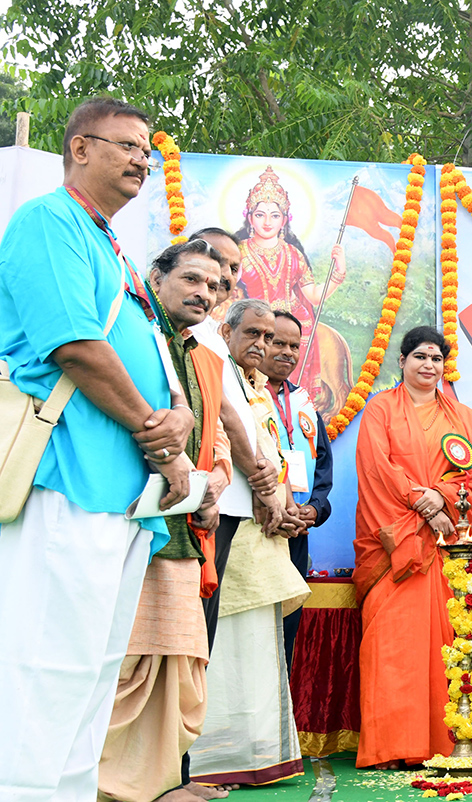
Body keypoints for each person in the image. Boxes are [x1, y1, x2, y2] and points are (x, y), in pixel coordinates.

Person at [0, 97, 192, 801]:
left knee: (90, 675)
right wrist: (160, 437)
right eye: (128, 145)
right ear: (80, 149)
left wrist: (176, 416)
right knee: (40, 673)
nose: (144, 159)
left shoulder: (109, 241)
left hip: (120, 498)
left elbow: (146, 350)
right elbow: (75, 347)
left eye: (149, 149)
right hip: (63, 481)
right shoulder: (48, 221)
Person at [98, 240, 227, 802]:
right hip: (127, 518)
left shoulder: (195, 351)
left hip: (180, 527)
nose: (205, 293)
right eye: (193, 279)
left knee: (175, 659)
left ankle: (155, 783)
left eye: (216, 286)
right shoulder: (134, 331)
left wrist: (214, 481)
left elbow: (211, 430)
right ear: (156, 275)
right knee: (124, 662)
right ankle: (105, 784)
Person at [354, 326, 472, 769]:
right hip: (395, 546)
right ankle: (392, 746)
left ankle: (440, 742)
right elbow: (376, 469)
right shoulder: (380, 410)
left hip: (444, 547)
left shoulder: (463, 418)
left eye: (436, 358)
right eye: (419, 356)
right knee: (392, 647)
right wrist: (421, 501)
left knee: (442, 648)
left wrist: (443, 499)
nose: (428, 365)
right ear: (402, 361)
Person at [188, 299, 310, 786]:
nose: (262, 345)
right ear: (227, 330)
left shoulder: (256, 387)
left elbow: (275, 457)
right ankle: (209, 759)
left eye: (272, 337)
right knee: (220, 643)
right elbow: (229, 439)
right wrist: (268, 495)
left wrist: (284, 506)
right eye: (256, 335)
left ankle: (254, 755)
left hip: (262, 532)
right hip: (226, 522)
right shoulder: (214, 364)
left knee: (257, 644)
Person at [236, 167, 347, 410]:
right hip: (257, 327)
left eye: (275, 216)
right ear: (250, 217)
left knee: (292, 399)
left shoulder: (293, 254)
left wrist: (337, 272)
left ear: (284, 220)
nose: (267, 222)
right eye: (260, 215)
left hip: (296, 330)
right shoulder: (240, 251)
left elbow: (314, 297)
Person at [261, 309, 334, 668]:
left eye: (294, 345)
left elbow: (323, 468)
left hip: (297, 533)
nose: (288, 352)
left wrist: (315, 509)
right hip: (258, 528)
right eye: (278, 342)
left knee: (286, 634)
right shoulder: (246, 395)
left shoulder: (303, 402)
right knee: (254, 629)